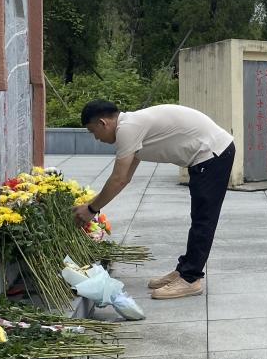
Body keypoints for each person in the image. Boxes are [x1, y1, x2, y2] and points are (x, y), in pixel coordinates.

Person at [79, 101, 234, 300]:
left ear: (103, 123)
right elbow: (124, 179)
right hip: (208, 155)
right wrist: (91, 205)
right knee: (199, 216)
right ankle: (184, 270)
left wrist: (91, 209)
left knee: (204, 219)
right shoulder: (130, 126)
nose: (96, 139)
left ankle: (190, 279)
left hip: (214, 153)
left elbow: (118, 178)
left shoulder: (128, 129)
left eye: (93, 132)